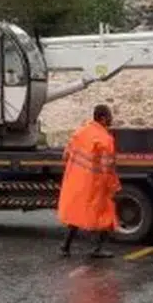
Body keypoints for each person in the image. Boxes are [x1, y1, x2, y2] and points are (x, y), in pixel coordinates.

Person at [57, 104, 121, 258]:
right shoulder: (105, 139)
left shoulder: (80, 132)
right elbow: (107, 168)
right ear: (103, 118)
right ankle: (97, 249)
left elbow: (66, 155)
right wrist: (113, 187)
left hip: (78, 183)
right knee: (105, 214)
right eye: (110, 116)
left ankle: (65, 246)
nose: (112, 118)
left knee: (77, 212)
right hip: (95, 184)